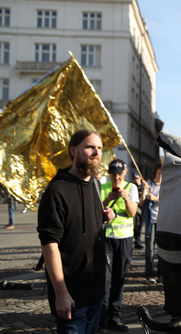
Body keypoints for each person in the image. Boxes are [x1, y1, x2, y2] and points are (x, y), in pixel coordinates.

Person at [37, 130, 115, 333]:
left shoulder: (96, 185)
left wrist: (105, 215)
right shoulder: (57, 191)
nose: (96, 152)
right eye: (90, 147)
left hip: (97, 291)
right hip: (72, 296)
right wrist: (61, 293)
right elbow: (49, 244)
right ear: (74, 151)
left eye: (99, 148)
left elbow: (84, 223)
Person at [99, 159, 139, 332]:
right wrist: (108, 199)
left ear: (124, 172)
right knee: (104, 279)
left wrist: (126, 198)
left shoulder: (131, 188)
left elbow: (132, 213)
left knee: (118, 280)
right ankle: (100, 320)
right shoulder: (102, 187)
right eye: (113, 173)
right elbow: (96, 210)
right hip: (106, 237)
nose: (116, 177)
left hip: (125, 238)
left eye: (118, 173)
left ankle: (113, 318)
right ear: (109, 173)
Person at [141, 164, 161, 284]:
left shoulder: (166, 185)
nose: (161, 173)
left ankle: (161, 274)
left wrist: (156, 199)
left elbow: (169, 202)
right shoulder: (149, 185)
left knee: (161, 250)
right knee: (149, 249)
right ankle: (149, 274)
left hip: (162, 221)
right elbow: (142, 203)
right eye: (160, 170)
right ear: (156, 171)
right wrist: (144, 189)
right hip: (151, 221)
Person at [132, 171, 144, 249]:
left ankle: (138, 241)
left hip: (142, 209)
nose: (135, 180)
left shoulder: (143, 187)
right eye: (134, 178)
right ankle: (136, 241)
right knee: (135, 227)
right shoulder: (133, 187)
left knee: (139, 227)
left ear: (140, 178)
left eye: (136, 178)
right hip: (135, 210)